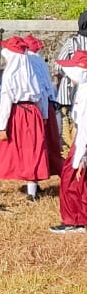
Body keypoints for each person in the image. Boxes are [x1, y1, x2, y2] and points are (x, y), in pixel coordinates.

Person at [0, 37, 49, 201]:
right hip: (33, 114)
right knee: (32, 150)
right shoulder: (30, 71)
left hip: (17, 113)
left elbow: (6, 101)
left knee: (4, 149)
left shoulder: (11, 74)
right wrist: (44, 115)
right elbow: (41, 96)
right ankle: (31, 191)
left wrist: (2, 127)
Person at [51, 51, 87, 233]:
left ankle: (74, 219)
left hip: (83, 143)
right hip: (81, 141)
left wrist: (80, 156)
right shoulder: (82, 89)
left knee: (71, 179)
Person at [23, 35, 64, 177]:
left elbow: (38, 89)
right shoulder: (40, 61)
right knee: (51, 143)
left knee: (36, 145)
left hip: (38, 106)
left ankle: (36, 177)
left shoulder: (28, 61)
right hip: (47, 104)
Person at [56, 11, 87, 126]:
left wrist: (73, 74)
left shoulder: (72, 43)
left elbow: (58, 65)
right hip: (77, 92)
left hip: (68, 92)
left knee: (67, 130)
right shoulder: (72, 42)